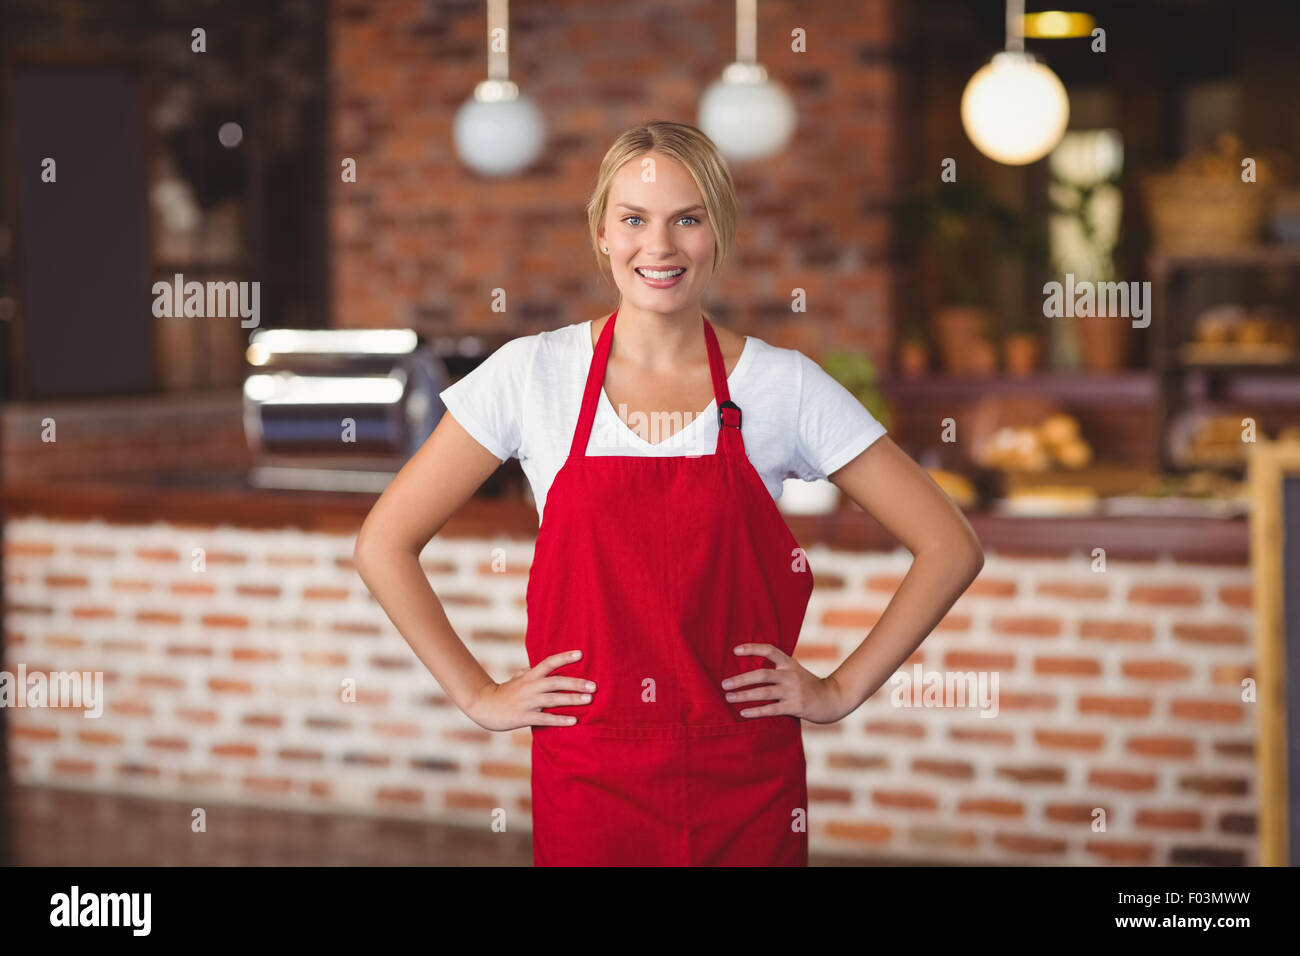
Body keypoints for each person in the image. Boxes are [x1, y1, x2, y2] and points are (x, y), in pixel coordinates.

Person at [354, 120, 984, 866]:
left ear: (718, 232)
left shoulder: (781, 386)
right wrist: (478, 695)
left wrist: (841, 690)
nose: (660, 246)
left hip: (743, 777)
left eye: (688, 219)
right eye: (634, 219)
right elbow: (383, 546)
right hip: (590, 776)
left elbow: (950, 546)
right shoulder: (532, 375)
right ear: (601, 232)